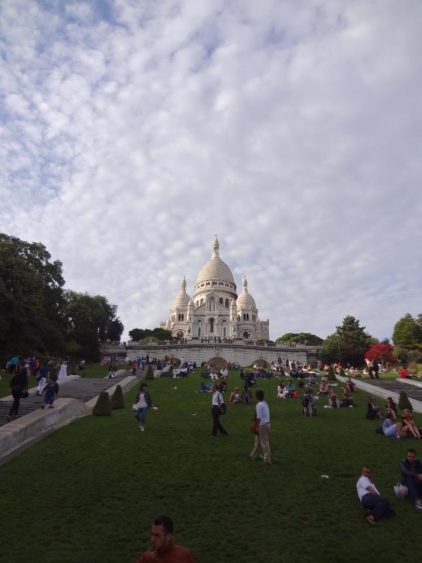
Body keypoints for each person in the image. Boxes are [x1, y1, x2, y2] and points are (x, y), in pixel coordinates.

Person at [250, 389, 271, 464]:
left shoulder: (259, 405)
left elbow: (258, 418)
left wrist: (257, 427)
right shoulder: (265, 403)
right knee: (257, 441)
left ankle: (267, 460)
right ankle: (254, 455)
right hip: (267, 424)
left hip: (263, 425)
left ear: (256, 396)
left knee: (264, 443)